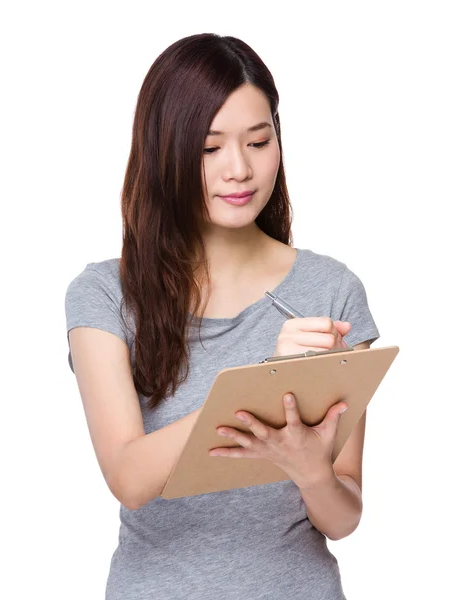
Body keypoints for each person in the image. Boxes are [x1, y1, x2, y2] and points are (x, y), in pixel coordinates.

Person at [65, 33, 380, 600]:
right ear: (166, 151)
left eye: (258, 142)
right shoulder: (104, 295)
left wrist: (310, 468)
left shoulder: (331, 290)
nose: (239, 169)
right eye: (209, 149)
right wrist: (269, 381)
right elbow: (130, 479)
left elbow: (344, 515)